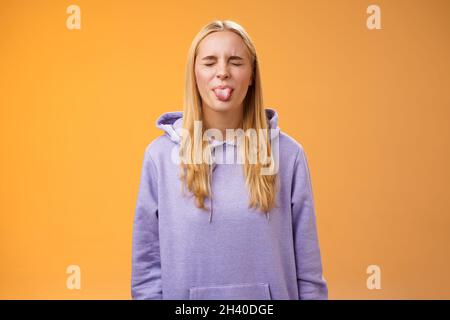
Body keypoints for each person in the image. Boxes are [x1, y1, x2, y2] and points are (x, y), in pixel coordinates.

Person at [131, 20, 328, 300]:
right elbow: (147, 272)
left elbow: (308, 274)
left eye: (235, 62)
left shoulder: (288, 155)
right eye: (210, 62)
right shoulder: (159, 157)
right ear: (194, 74)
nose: (222, 72)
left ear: (252, 76)